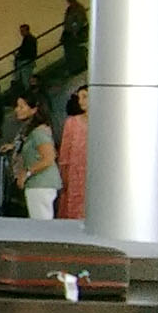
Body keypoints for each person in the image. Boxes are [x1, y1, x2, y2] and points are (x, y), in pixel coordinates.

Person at [11, 93, 63, 220]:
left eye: (22, 106)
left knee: (40, 222)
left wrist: (27, 173)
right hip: (38, 184)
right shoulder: (33, 132)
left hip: (41, 184)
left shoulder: (38, 132)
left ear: (34, 109)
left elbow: (48, 158)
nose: (17, 110)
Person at [59, 85, 89, 219]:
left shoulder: (107, 122)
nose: (81, 101)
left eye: (85, 97)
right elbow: (65, 153)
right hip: (75, 174)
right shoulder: (72, 122)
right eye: (79, 97)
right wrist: (64, 175)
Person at [60, 0, 89, 75]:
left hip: (74, 34)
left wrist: (74, 31)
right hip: (70, 34)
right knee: (69, 53)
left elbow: (79, 21)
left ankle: (77, 69)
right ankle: (72, 68)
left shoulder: (78, 8)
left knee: (75, 52)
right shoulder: (70, 8)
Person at [14, 23, 39, 94]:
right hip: (27, 61)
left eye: (22, 31)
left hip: (27, 61)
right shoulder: (28, 39)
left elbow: (28, 51)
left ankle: (29, 92)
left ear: (27, 30)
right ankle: (29, 92)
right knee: (27, 78)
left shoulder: (29, 39)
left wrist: (19, 55)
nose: (21, 33)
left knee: (26, 79)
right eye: (21, 31)